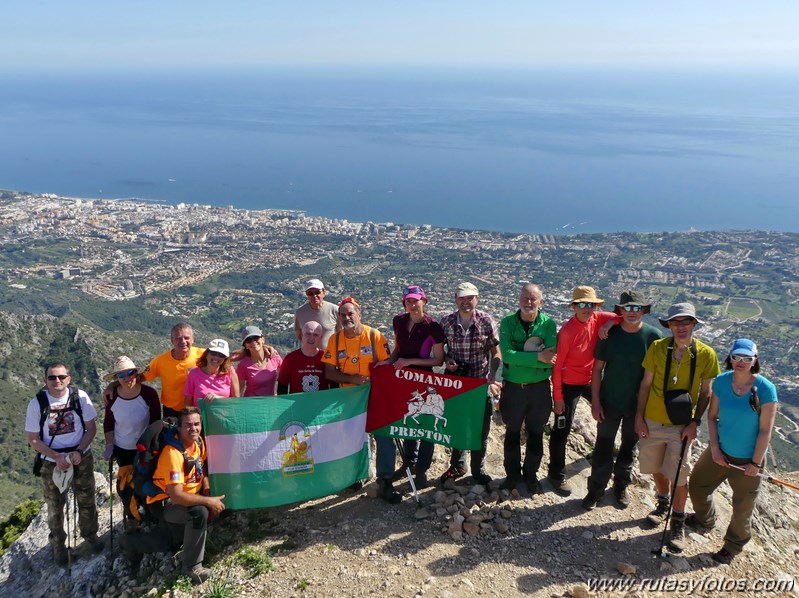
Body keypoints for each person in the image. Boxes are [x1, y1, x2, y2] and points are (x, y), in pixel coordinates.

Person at [635, 302, 720, 552]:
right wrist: (639, 418)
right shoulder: (658, 348)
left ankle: (678, 520)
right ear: (669, 325)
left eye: (686, 322)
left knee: (680, 475)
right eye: (675, 322)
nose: (681, 327)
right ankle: (662, 503)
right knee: (657, 467)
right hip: (653, 419)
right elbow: (645, 385)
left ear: (694, 324)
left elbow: (707, 393)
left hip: (682, 425)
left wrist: (695, 423)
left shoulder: (706, 354)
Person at [687, 339, 778, 564]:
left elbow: (766, 430)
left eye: (747, 358)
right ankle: (705, 520)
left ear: (755, 361)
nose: (741, 362)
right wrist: (715, 449)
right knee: (697, 486)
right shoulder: (721, 382)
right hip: (720, 450)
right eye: (737, 357)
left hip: (749, 458)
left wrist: (755, 464)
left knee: (742, 507)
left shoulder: (766, 389)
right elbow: (712, 416)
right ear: (730, 357)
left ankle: (733, 545)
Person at [119, 407, 225, 585]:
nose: (194, 428)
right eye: (188, 425)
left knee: (173, 541)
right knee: (199, 513)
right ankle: (192, 567)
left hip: (187, 496)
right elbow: (176, 496)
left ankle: (134, 542)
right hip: (164, 503)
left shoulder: (198, 442)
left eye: (197, 424)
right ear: (179, 428)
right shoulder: (173, 454)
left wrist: (206, 489)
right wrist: (208, 501)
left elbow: (202, 466)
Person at [582, 291, 662, 510]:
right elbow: (597, 370)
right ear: (621, 311)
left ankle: (620, 487)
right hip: (609, 402)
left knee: (629, 447)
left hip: (637, 407)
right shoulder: (610, 335)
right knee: (603, 447)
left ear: (644, 311)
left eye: (637, 308)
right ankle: (595, 490)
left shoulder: (654, 337)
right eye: (628, 308)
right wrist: (596, 402)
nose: (632, 313)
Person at [25, 362, 102, 564]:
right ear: (45, 381)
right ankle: (59, 545)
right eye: (52, 378)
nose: (57, 381)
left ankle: (90, 534)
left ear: (69, 378)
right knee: (55, 506)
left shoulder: (80, 397)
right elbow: (33, 438)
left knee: (86, 498)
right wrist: (56, 457)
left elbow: (91, 428)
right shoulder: (37, 404)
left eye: (61, 377)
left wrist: (78, 450)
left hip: (80, 456)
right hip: (51, 461)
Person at [549, 285, 620, 496]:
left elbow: (621, 316)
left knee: (606, 414)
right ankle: (556, 474)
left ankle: (602, 452)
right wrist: (558, 398)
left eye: (590, 304)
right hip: (569, 383)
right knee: (561, 429)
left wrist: (607, 324)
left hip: (591, 379)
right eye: (582, 304)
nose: (587, 308)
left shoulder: (596, 318)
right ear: (574, 307)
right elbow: (557, 365)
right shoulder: (567, 332)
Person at [322, 296, 394, 500]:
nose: (347, 318)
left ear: (359, 314)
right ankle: (357, 476)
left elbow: (387, 366)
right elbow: (329, 372)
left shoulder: (375, 336)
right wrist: (351, 379)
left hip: (376, 396)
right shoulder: (335, 340)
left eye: (350, 313)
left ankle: (385, 478)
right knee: (353, 438)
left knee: (383, 436)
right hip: (350, 399)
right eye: (343, 315)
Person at [383, 285, 446, 489]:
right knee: (409, 421)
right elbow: (398, 349)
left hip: (424, 379)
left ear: (424, 301)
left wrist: (409, 361)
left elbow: (438, 360)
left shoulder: (433, 326)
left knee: (426, 425)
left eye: (416, 300)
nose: (412, 304)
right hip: (404, 378)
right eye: (408, 300)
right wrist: (387, 363)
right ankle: (408, 462)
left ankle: (422, 470)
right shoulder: (399, 321)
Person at [439, 281, 501, 485]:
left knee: (481, 429)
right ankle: (457, 465)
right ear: (455, 299)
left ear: (477, 298)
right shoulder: (446, 322)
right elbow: (441, 352)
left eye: (469, 298)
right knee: (457, 427)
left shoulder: (486, 321)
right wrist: (448, 360)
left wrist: (492, 374)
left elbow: (496, 352)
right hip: (456, 384)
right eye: (461, 298)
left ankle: (478, 468)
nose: (465, 302)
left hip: (479, 383)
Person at [498, 283, 557, 493]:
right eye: (525, 298)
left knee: (536, 433)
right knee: (512, 432)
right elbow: (506, 355)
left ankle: (531, 475)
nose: (529, 302)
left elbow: (550, 358)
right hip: (514, 388)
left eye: (533, 299)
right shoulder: (506, 322)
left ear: (541, 302)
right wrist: (536, 358)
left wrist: (520, 359)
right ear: (519, 300)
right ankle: (512, 475)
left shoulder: (548, 324)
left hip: (539, 389)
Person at [102, 356, 161, 467]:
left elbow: (155, 422)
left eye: (130, 373)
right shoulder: (111, 396)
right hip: (121, 449)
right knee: (126, 480)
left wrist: (150, 445)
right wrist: (109, 445)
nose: (127, 378)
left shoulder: (149, 394)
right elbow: (108, 423)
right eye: (121, 375)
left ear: (136, 374)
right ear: (117, 379)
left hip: (144, 448)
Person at [141, 323, 205, 419]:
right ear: (172, 341)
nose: (183, 341)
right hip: (172, 411)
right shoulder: (160, 361)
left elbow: (225, 362)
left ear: (193, 339)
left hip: (198, 410)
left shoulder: (203, 355)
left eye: (186, 338)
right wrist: (114, 385)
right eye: (178, 338)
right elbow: (140, 377)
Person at [184, 339, 240, 407]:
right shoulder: (194, 374)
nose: (216, 357)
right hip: (200, 416)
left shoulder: (230, 372)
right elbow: (187, 403)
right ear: (207, 353)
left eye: (221, 355)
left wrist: (218, 399)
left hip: (224, 416)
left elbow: (237, 401)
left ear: (225, 358)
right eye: (213, 353)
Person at [278, 321, 330, 394]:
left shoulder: (326, 358)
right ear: (302, 335)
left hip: (321, 404)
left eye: (315, 335)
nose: (311, 338)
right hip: (297, 404)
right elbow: (282, 386)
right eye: (308, 334)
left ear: (321, 337)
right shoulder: (290, 358)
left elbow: (334, 385)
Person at [236, 325, 283, 396]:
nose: (253, 342)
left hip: (271, 404)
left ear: (263, 339)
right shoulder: (243, 365)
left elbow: (287, 374)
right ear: (245, 345)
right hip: (252, 405)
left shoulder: (274, 357)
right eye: (248, 340)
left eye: (256, 338)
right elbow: (239, 391)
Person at [294, 278, 339, 349]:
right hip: (309, 356)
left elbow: (341, 333)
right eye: (310, 293)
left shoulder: (335, 310)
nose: (314, 296)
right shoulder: (300, 312)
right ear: (307, 295)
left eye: (317, 292)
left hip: (330, 356)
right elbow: (298, 334)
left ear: (323, 292)